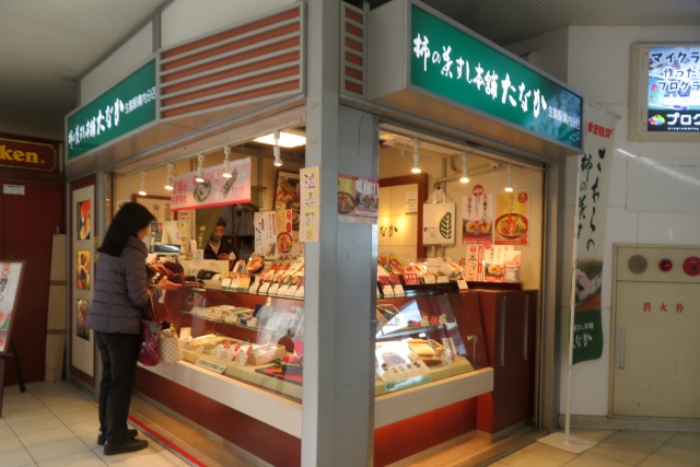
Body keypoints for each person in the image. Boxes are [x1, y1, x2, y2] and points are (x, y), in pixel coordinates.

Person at [86, 202, 182, 456]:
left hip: (103, 324)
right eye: (146, 226)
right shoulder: (132, 251)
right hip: (121, 327)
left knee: (109, 379)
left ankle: (108, 431)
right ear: (136, 226)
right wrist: (160, 287)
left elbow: (121, 281)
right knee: (121, 383)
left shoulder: (111, 248)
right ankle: (116, 441)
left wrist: (148, 271)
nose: (147, 231)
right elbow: (138, 297)